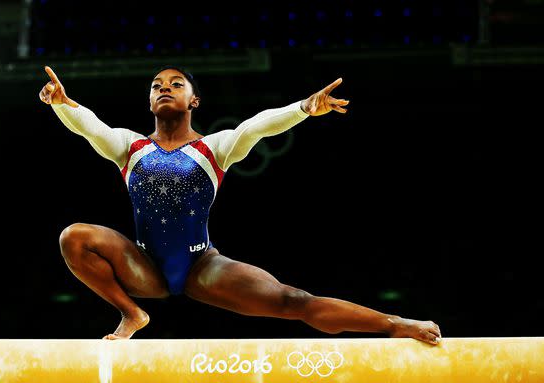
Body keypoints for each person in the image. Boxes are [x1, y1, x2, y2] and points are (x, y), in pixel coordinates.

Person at [39, 65, 442, 344]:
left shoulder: (213, 147)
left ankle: (393, 324)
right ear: (148, 102)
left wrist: (304, 108)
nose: (164, 87)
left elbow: (257, 125)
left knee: (293, 300)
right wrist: (61, 103)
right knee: (75, 237)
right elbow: (91, 126)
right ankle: (132, 313)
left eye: (176, 84)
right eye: (157, 85)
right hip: (144, 266)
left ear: (194, 100)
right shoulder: (130, 146)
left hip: (202, 266)